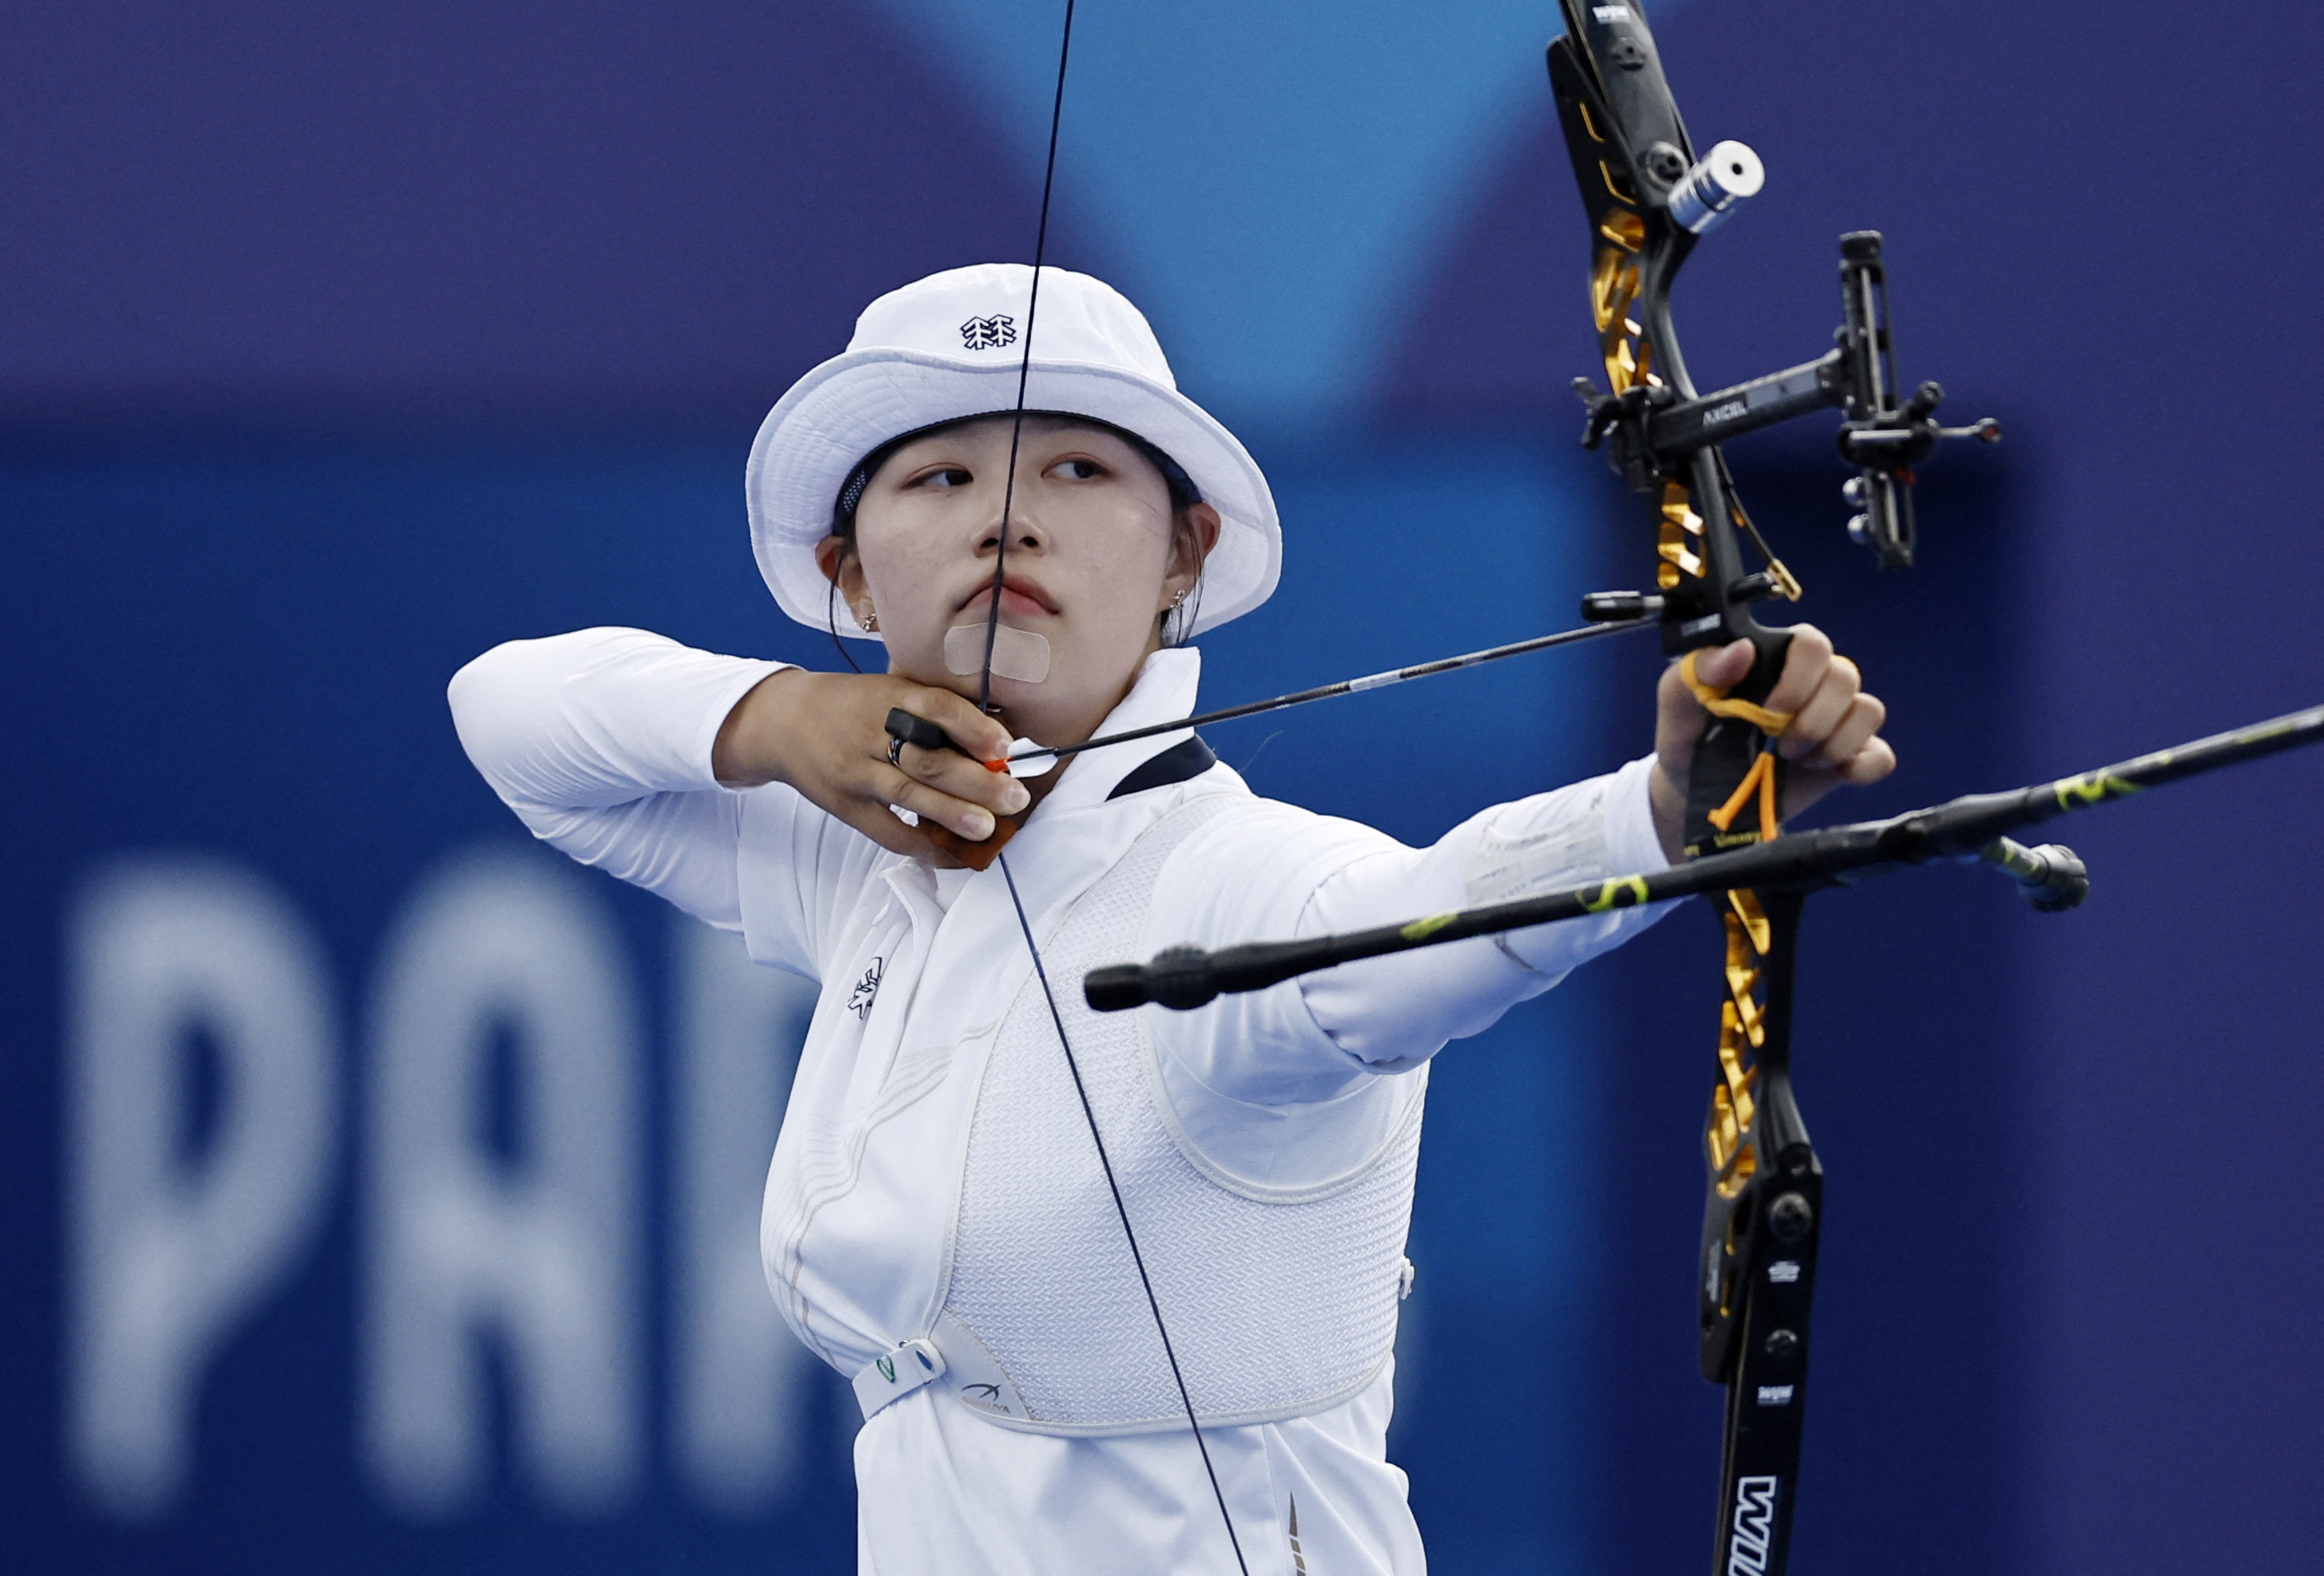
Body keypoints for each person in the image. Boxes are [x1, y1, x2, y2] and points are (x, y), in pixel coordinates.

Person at [447, 262, 1892, 1574]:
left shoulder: (1232, 873)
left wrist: (1657, 811)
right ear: (847, 569)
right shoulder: (864, 863)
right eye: (938, 477)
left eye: (1076, 468)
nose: (1007, 514)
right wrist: (776, 716)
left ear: (1182, 556)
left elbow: (1419, 925)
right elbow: (510, 718)